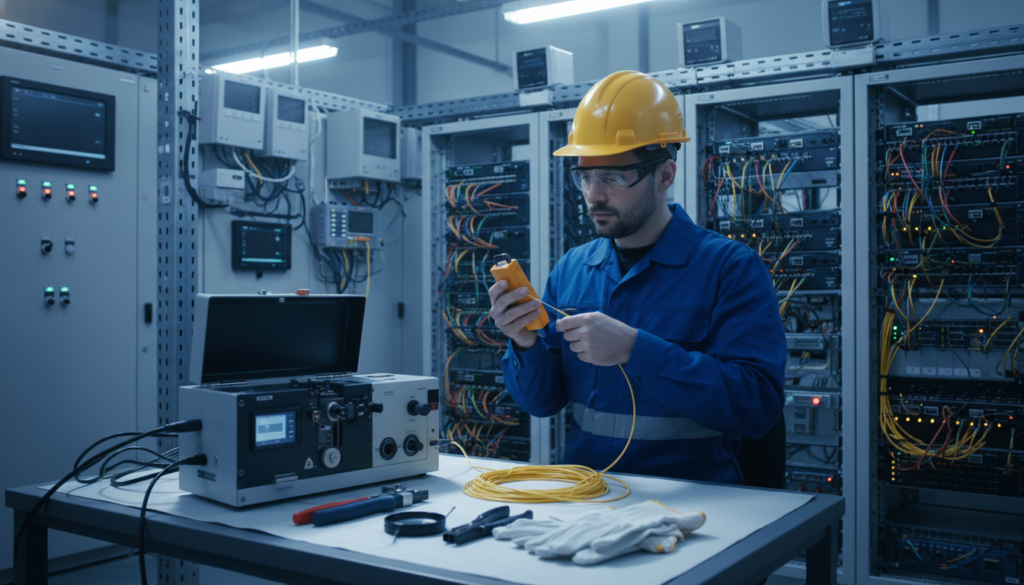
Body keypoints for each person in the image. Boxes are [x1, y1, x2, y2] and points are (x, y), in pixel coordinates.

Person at [487, 71, 786, 484]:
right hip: (588, 493)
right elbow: (542, 402)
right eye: (585, 176)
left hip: (695, 503)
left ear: (664, 175)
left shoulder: (729, 268)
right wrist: (522, 342)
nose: (594, 194)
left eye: (612, 176)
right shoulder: (573, 269)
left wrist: (635, 349)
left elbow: (756, 406)